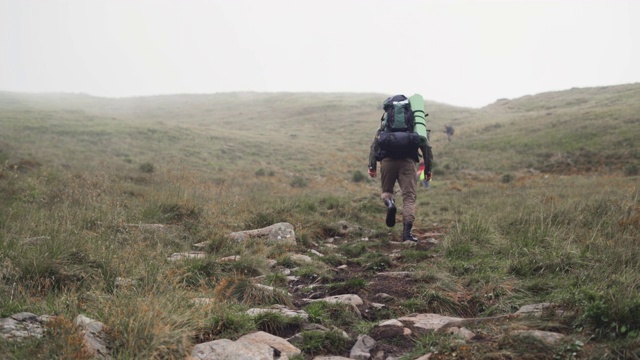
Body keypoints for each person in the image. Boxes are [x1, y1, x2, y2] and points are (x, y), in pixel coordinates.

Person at [368, 98, 433, 242]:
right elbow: (426, 148)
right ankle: (407, 235)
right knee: (409, 198)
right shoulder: (414, 125)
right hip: (407, 163)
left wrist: (372, 166)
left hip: (387, 162)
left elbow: (374, 146)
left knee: (386, 192)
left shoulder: (385, 125)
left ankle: (390, 204)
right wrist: (428, 170)